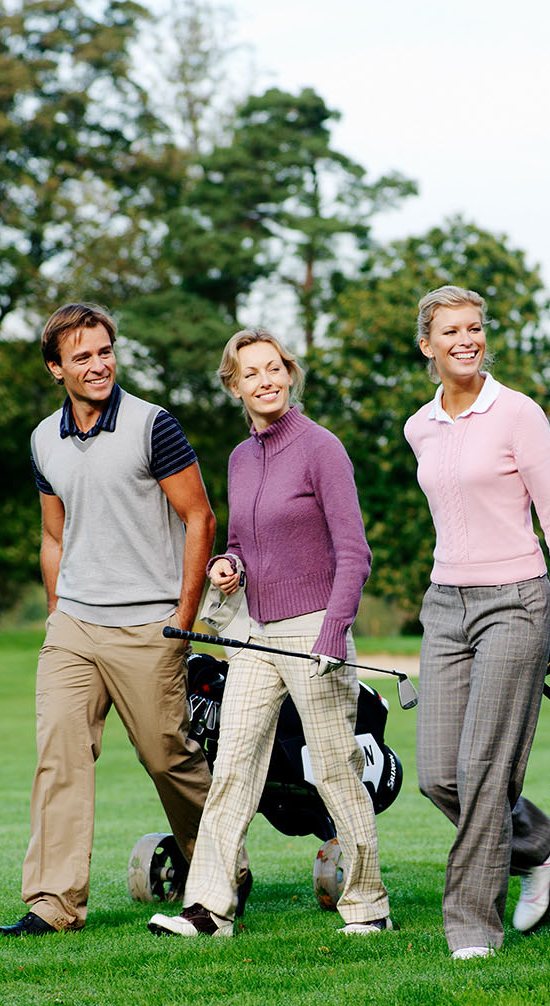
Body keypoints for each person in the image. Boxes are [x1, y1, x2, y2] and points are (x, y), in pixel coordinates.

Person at [148, 328, 392, 938]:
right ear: (235, 386)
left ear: (290, 373)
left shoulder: (321, 448)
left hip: (315, 631)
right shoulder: (239, 459)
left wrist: (334, 631)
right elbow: (240, 543)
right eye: (251, 372)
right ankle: (209, 909)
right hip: (257, 633)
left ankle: (369, 906)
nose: (266, 380)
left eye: (274, 368)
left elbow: (354, 553)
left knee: (334, 770)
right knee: (232, 766)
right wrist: (228, 566)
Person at [0, 302, 219, 937]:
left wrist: (183, 617)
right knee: (59, 756)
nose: (98, 365)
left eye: (105, 351)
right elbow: (53, 535)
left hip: (150, 625)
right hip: (74, 627)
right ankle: (53, 905)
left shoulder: (152, 425)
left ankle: (220, 873)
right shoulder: (43, 439)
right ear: (55, 368)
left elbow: (199, 518)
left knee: (167, 757)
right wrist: (56, 613)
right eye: (82, 356)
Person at [404, 285, 550, 960]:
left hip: (515, 602)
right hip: (444, 605)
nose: (467, 340)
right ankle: (542, 846)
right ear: (426, 345)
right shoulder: (420, 427)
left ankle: (470, 927)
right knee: (438, 775)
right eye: (451, 331)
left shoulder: (518, 413)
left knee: (483, 771)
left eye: (475, 328)